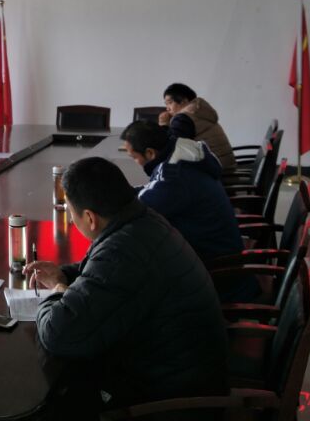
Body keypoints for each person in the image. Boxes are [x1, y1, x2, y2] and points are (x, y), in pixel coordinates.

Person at [25, 157, 228, 417]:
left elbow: (59, 334)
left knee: (57, 397)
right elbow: (104, 273)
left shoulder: (123, 251)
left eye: (72, 214)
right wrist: (63, 274)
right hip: (184, 371)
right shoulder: (141, 219)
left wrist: (58, 292)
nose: (72, 221)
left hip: (173, 401)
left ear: (89, 218)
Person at [121, 120, 257, 303]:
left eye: (134, 157)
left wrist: (109, 199)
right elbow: (152, 190)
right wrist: (123, 192)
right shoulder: (181, 156)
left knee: (136, 271)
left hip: (216, 273)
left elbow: (137, 209)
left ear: (150, 153)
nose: (135, 162)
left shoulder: (175, 177)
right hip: (221, 256)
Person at [158, 82, 236, 171]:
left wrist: (164, 125)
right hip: (228, 167)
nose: (167, 108)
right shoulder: (199, 112)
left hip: (215, 173)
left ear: (184, 101)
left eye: (170, 103)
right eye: (166, 104)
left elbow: (170, 148)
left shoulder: (183, 118)